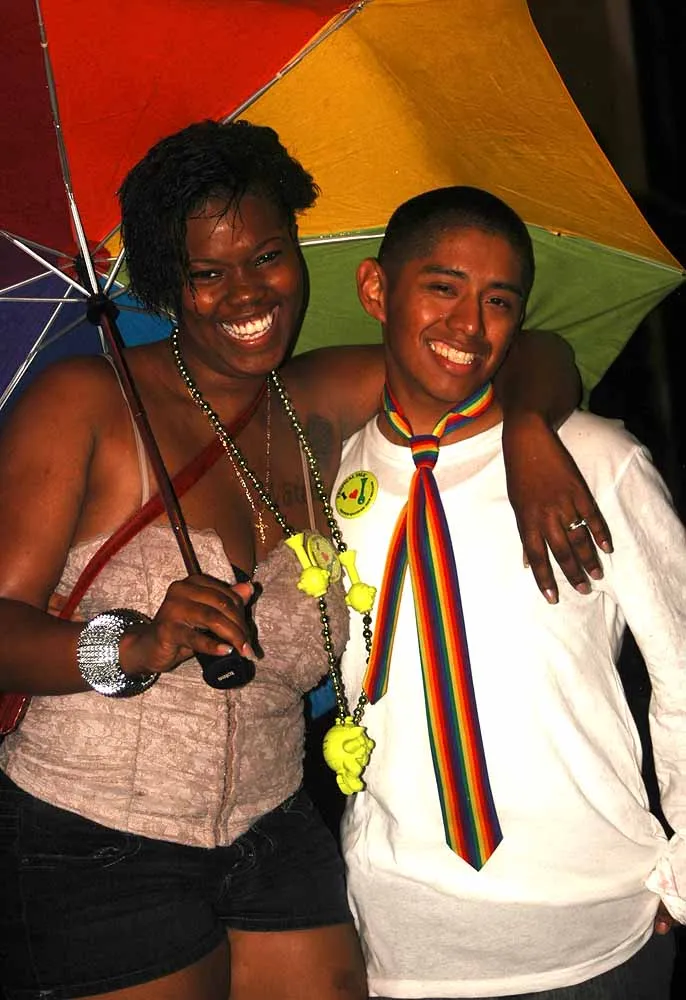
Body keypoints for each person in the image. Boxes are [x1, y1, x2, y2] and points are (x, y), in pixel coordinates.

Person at [0, 122, 604, 1000]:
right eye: (208, 273)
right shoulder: (86, 401)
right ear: (170, 285)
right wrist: (133, 646)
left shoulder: (318, 400)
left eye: (267, 257)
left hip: (273, 825)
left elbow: (528, 351)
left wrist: (530, 430)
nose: (247, 293)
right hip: (92, 833)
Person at [333, 185, 686, 1000]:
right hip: (403, 937)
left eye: (499, 301)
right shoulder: (332, 476)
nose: (469, 325)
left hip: (599, 928)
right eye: (443, 287)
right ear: (376, 289)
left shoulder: (593, 460)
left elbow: (680, 668)